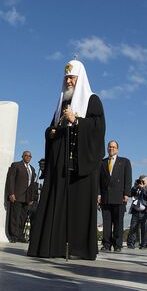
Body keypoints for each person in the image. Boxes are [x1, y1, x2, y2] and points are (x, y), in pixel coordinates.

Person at [28, 59, 105, 260]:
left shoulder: (92, 100)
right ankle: (52, 246)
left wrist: (76, 120)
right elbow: (51, 126)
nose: (68, 81)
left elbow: (98, 128)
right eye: (66, 78)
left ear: (80, 78)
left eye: (71, 77)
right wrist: (51, 132)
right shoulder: (61, 102)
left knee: (79, 207)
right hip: (60, 163)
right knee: (56, 202)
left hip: (81, 163)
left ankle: (79, 249)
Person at [98, 140, 132, 252]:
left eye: (113, 147)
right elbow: (98, 180)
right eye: (109, 147)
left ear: (117, 149)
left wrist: (127, 193)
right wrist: (98, 194)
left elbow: (128, 178)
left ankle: (118, 245)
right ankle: (106, 244)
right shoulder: (102, 163)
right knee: (106, 222)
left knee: (118, 222)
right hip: (105, 196)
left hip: (119, 196)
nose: (111, 149)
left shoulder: (125, 162)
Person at [5, 150, 37, 243]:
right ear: (22, 156)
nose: (28, 157)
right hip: (17, 195)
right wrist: (11, 193)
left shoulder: (32, 169)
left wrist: (31, 198)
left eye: (30, 156)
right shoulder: (16, 165)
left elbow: (32, 185)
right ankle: (13, 236)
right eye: (26, 155)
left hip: (27, 198)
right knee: (15, 217)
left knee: (23, 217)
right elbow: (10, 179)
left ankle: (19, 235)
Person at [126, 175, 147, 250]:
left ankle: (143, 245)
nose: (141, 182)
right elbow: (130, 194)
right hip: (135, 211)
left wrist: (143, 188)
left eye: (143, 181)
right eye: (140, 181)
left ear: (146, 181)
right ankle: (130, 244)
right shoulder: (136, 188)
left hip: (145, 212)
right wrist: (135, 186)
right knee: (133, 228)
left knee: (144, 229)